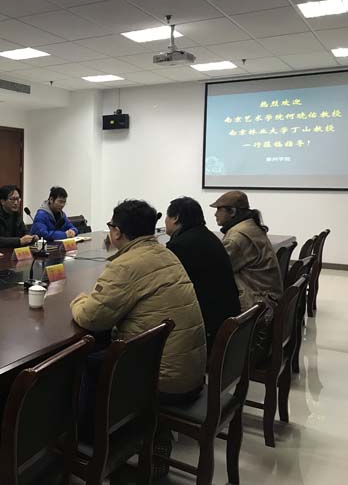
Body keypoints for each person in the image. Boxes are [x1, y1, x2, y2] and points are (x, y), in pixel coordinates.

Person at [71, 200, 206, 477]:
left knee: (84, 362)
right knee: (102, 349)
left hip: (164, 380)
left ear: (116, 231)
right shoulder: (166, 254)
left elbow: (91, 317)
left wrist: (78, 300)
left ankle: (90, 440)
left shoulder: (126, 265)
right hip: (189, 371)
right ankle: (146, 436)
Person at [211, 191, 283, 362]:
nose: (215, 214)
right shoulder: (249, 227)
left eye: (219, 209)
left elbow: (220, 269)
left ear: (232, 212)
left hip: (257, 307)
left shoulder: (238, 236)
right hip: (267, 299)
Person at [165, 196, 240, 349]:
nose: (165, 221)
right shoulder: (207, 236)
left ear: (176, 218)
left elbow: (171, 291)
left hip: (207, 326)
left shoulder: (180, 245)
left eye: (167, 216)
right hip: (226, 318)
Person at [0, 185, 36, 249]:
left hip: (16, 251)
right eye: (12, 199)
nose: (16, 203)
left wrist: (31, 238)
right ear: (2, 201)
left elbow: (24, 232)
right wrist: (19, 241)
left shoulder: (16, 215)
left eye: (18, 199)